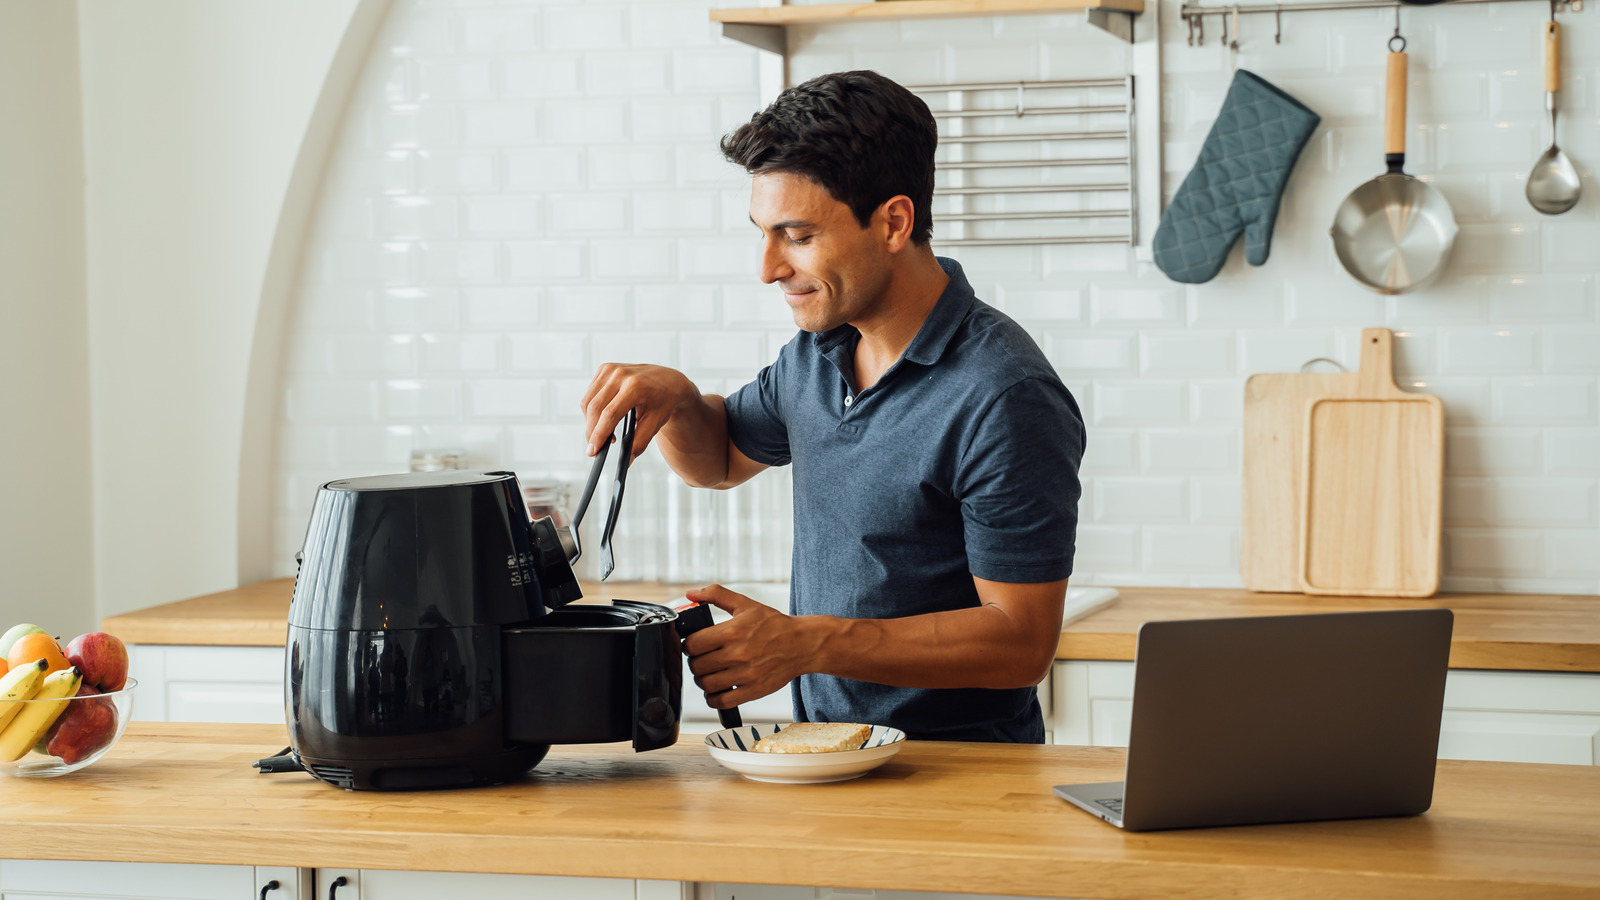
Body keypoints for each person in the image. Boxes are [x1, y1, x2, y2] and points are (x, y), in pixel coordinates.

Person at [580, 70, 1084, 743]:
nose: (768, 268)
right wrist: (677, 401)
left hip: (957, 772)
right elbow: (719, 460)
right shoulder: (819, 351)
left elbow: (1020, 644)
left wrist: (808, 643)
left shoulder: (1004, 395)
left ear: (894, 223)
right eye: (764, 233)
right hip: (828, 754)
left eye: (797, 236)